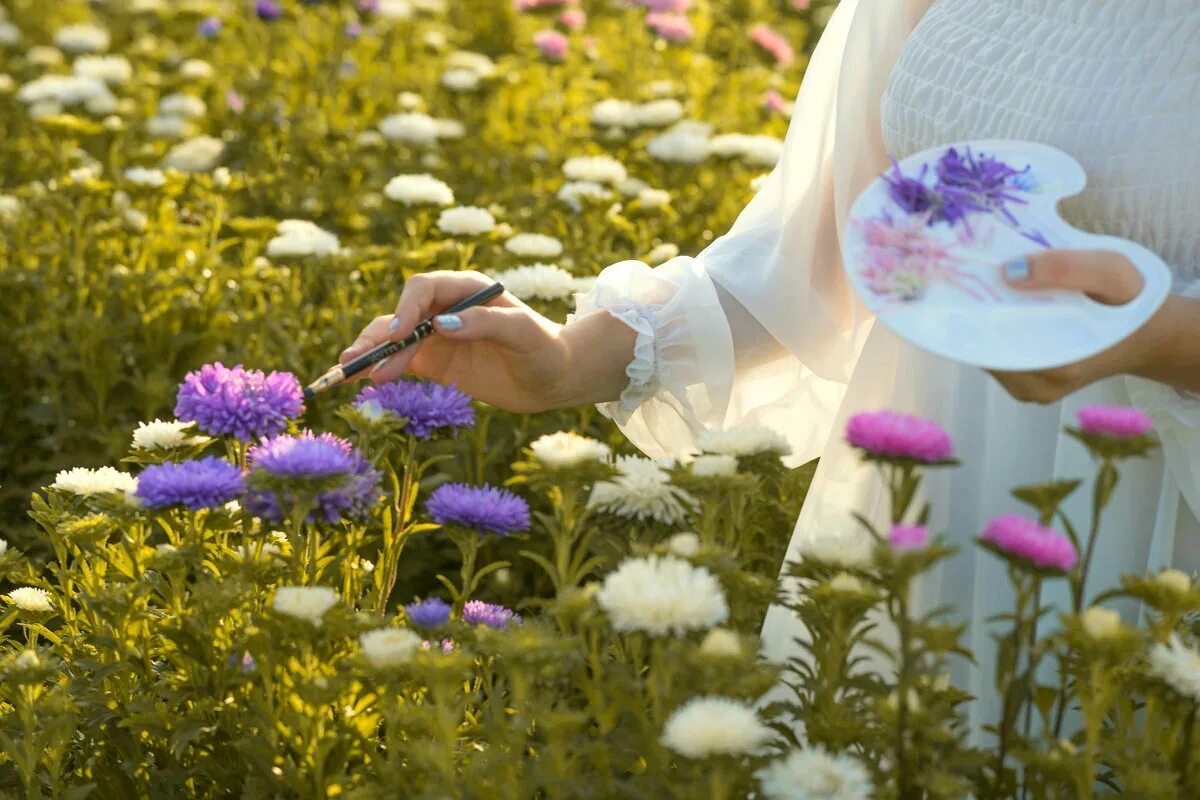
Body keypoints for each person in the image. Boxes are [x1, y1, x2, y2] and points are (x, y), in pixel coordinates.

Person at [341, 0, 1200, 737]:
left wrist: (1162, 341)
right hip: (929, 520)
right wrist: (566, 362)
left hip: (1159, 522)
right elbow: (822, 261)